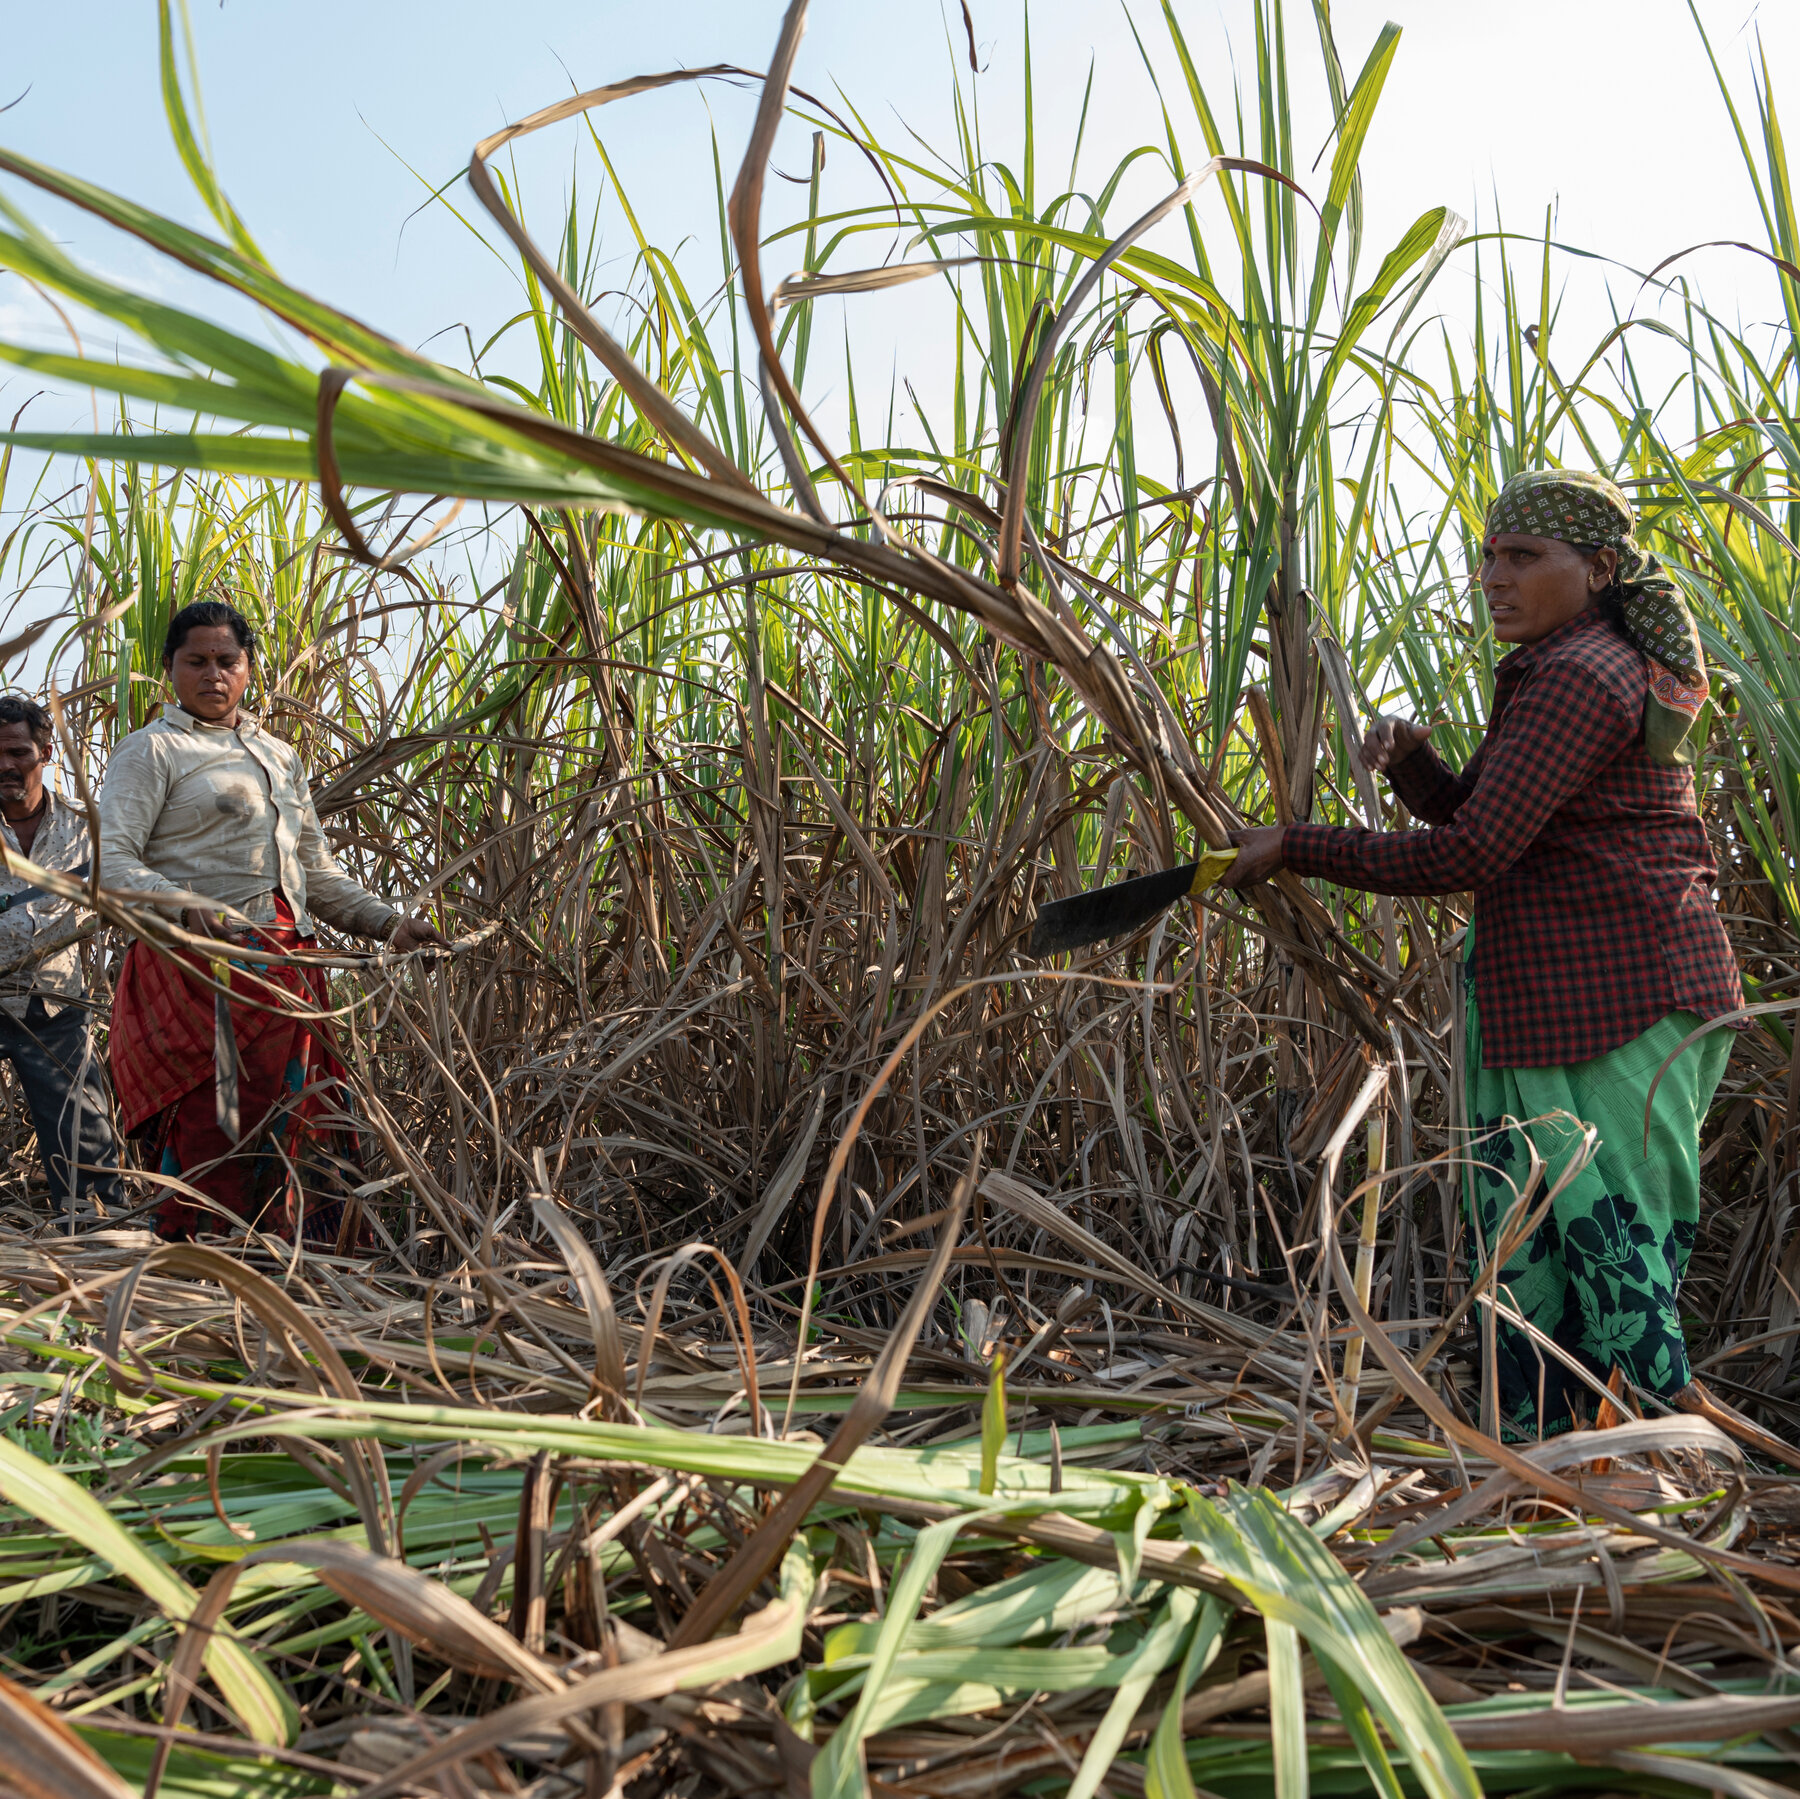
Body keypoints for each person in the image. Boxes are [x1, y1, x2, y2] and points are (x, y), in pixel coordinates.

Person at [1223, 470, 1752, 1446]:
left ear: (1596, 569)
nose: (1492, 577)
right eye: (1488, 554)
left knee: (1611, 1236)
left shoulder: (1581, 673)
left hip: (1623, 996)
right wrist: (1418, 761)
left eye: (1523, 557)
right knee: (1551, 1231)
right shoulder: (1568, 664)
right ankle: (1565, 1469)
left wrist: (1298, 843)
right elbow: (1485, 816)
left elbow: (1472, 853)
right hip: (1581, 994)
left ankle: (1657, 1466)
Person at [97, 599, 445, 1243]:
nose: (213, 675)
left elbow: (313, 871)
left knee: (301, 1122)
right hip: (204, 972)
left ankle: (301, 1268)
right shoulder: (151, 751)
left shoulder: (279, 755)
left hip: (291, 973)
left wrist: (390, 923)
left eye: (227, 660)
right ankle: (201, 1270)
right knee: (219, 1125)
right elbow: (112, 861)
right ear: (167, 667)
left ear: (250, 668)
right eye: (195, 661)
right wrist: (186, 905)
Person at [0, 695, 122, 1218]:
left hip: (54, 1007)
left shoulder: (85, 828)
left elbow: (127, 891)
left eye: (18, 753)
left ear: (45, 752)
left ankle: (100, 1250)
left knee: (85, 1151)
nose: (5, 765)